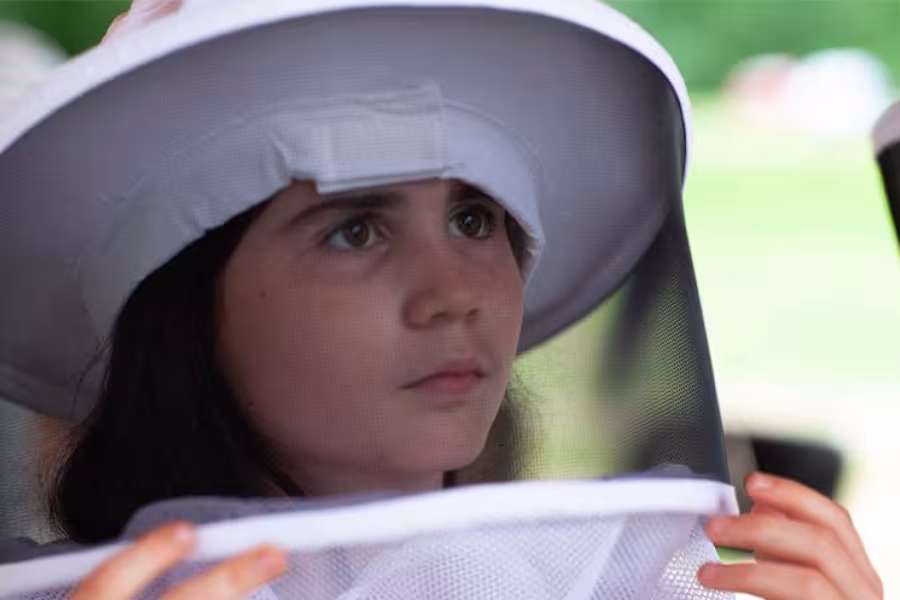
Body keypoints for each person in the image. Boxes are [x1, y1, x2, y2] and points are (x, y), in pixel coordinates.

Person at [0, 0, 884, 598]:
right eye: (355, 231)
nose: (456, 294)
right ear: (182, 310)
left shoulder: (613, 578)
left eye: (475, 219)